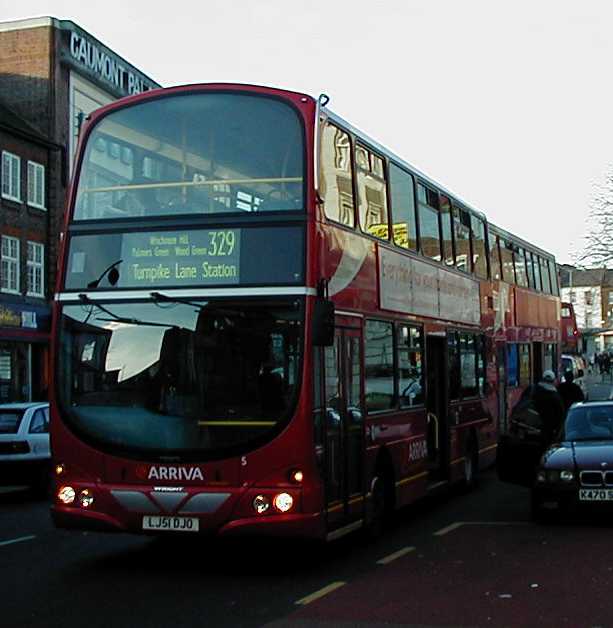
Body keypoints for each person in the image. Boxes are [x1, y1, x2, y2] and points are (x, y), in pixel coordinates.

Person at [530, 370, 566, 444]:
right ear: (553, 381)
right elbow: (561, 414)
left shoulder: (533, 391)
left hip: (532, 428)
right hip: (549, 431)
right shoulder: (555, 396)